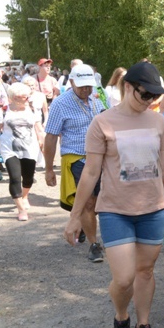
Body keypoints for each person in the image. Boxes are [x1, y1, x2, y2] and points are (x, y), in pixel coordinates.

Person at [63, 61, 164, 328]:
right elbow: (91, 174)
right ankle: (121, 319)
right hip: (115, 210)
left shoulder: (157, 122)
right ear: (128, 87)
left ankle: (143, 326)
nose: (150, 102)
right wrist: (75, 217)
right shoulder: (103, 122)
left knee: (145, 271)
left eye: (154, 97)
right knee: (124, 278)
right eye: (144, 95)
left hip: (152, 209)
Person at [44, 64, 106, 263]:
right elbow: (51, 137)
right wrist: (48, 169)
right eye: (82, 86)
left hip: (103, 157)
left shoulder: (98, 98)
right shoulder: (60, 104)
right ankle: (94, 244)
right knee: (88, 201)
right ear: (71, 82)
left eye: (89, 85)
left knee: (100, 201)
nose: (86, 90)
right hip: (77, 158)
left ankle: (82, 223)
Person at [0, 83, 45, 221]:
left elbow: (39, 130)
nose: (25, 99)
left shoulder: (33, 110)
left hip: (30, 148)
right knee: (15, 177)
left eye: (26, 97)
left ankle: (24, 196)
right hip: (9, 149)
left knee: (28, 177)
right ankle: (21, 209)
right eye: (22, 97)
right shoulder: (4, 111)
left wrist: (44, 145)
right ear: (13, 98)